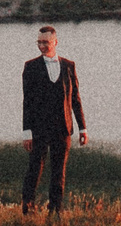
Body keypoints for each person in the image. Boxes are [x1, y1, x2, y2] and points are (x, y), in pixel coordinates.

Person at [20, 23, 87, 213]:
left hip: (63, 127)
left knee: (59, 172)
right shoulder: (30, 67)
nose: (41, 46)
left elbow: (75, 99)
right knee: (35, 169)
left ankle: (55, 211)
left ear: (55, 42)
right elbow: (28, 101)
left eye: (45, 42)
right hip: (39, 128)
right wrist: (27, 132)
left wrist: (83, 128)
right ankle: (28, 208)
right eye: (39, 42)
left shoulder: (68, 66)